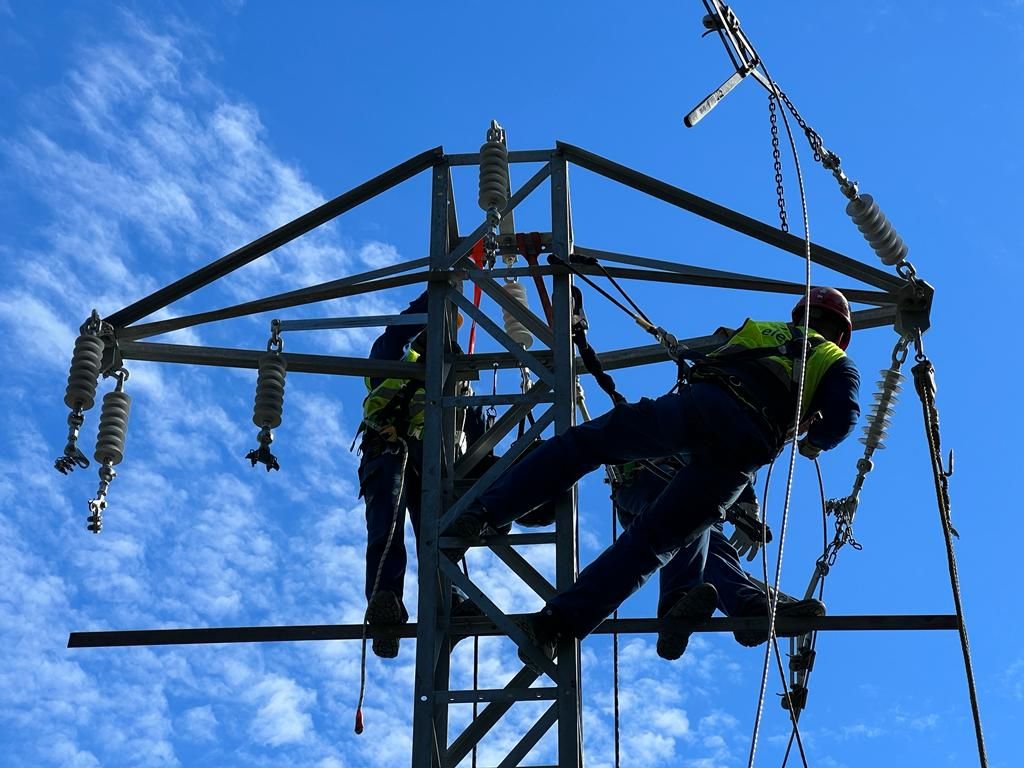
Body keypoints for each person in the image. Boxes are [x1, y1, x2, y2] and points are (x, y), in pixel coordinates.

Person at [446, 287, 860, 668]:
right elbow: (843, 417)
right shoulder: (835, 361)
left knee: (587, 446)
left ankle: (486, 515)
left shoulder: (758, 329)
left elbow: (723, 363)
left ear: (800, 314)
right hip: (745, 446)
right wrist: (813, 442)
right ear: (840, 334)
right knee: (656, 542)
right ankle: (560, 625)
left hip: (702, 406)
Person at [359, 291, 485, 658]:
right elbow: (398, 331)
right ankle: (386, 602)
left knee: (443, 530)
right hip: (390, 451)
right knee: (386, 524)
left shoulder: (458, 385)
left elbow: (480, 442)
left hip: (434, 466)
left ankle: (452, 596)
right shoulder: (394, 358)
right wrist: (438, 294)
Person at [611, 458, 825, 660]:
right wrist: (748, 497)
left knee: (712, 548)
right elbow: (717, 442)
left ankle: (748, 609)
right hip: (652, 478)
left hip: (695, 489)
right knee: (689, 510)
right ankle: (677, 603)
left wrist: (746, 499)